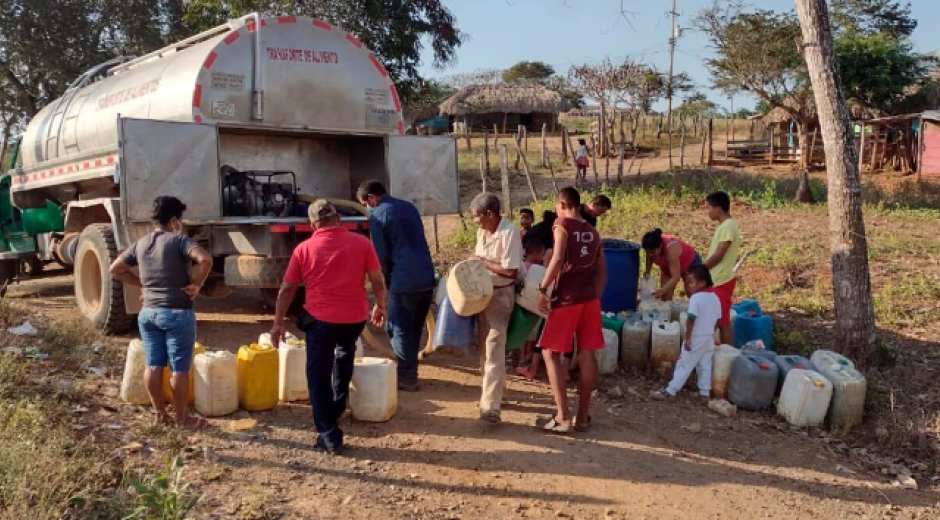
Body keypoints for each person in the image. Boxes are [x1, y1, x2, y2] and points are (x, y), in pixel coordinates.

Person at [270, 200, 387, 455]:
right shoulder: (362, 243)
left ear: (313, 225)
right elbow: (377, 279)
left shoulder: (304, 248)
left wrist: (278, 323)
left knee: (318, 376)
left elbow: (287, 289)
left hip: (321, 321)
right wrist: (380, 306)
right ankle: (336, 407)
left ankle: (329, 435)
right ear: (338, 219)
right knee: (345, 354)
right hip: (354, 319)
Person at [109, 196, 213, 430]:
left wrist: (142, 285)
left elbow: (115, 269)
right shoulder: (179, 241)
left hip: (148, 314)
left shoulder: (141, 244)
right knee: (179, 369)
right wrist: (197, 284)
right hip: (177, 313)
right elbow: (205, 259)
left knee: (153, 365)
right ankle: (182, 419)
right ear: (174, 220)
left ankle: (159, 414)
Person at [537, 186, 606, 434]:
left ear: (563, 204)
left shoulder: (562, 224)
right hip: (589, 301)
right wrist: (594, 296)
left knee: (549, 353)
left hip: (567, 300)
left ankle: (563, 416)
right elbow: (602, 272)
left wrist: (542, 288)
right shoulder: (593, 232)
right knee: (587, 355)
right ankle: (583, 416)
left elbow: (557, 258)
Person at [357, 180, 435, 392]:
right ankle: (410, 371)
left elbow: (380, 256)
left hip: (404, 280)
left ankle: (407, 378)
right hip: (426, 276)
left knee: (398, 328)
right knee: (415, 326)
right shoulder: (409, 207)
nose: (367, 207)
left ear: (372, 198)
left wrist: (381, 288)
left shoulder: (377, 215)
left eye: (366, 203)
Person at [470, 193, 523, 425]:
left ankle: (491, 407)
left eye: (476, 217)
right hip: (482, 292)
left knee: (493, 346)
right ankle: (498, 391)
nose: (474, 221)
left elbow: (511, 271)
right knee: (485, 345)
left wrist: (482, 263)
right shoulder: (483, 231)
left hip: (501, 295)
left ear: (490, 214)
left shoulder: (509, 233)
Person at [651, 266, 722, 400]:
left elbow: (691, 319)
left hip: (696, 337)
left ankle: (671, 391)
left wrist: (688, 338)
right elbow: (718, 319)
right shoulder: (715, 298)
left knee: (684, 364)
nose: (689, 286)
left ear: (702, 283)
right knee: (705, 364)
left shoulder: (696, 298)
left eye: (691, 282)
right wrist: (711, 332)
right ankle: (704, 393)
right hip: (708, 338)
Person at [703, 191, 741, 346]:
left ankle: (728, 353)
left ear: (718, 209)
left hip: (721, 280)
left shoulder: (727, 227)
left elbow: (718, 255)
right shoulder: (726, 226)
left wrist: (701, 269)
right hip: (717, 279)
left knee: (723, 321)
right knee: (716, 318)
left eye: (708, 208)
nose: (707, 212)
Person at [641, 228, 703, 301]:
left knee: (691, 293)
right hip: (668, 266)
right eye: (647, 252)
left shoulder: (671, 249)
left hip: (690, 263)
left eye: (652, 252)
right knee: (665, 297)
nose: (650, 255)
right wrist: (647, 271)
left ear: (660, 246)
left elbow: (676, 277)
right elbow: (649, 257)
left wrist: (662, 290)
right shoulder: (651, 247)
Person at [516, 238, 547, 381]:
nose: (543, 257)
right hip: (531, 306)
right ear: (534, 253)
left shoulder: (522, 266)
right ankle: (526, 356)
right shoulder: (537, 270)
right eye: (541, 254)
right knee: (530, 333)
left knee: (523, 332)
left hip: (523, 305)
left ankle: (524, 356)